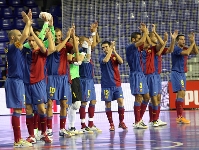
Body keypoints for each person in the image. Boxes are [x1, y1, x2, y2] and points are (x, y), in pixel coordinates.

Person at [23, 25, 55, 143]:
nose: (31, 43)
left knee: (41, 109)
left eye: (33, 40)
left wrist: (32, 32)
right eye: (29, 41)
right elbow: (17, 46)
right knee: (28, 109)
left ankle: (43, 133)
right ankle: (31, 135)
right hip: (26, 84)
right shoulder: (25, 51)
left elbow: (43, 46)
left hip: (39, 83)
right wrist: (27, 27)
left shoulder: (41, 52)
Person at [5, 11, 32, 147]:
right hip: (15, 81)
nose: (22, 37)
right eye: (19, 36)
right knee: (16, 110)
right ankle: (17, 140)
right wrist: (27, 23)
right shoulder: (13, 47)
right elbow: (26, 35)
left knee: (18, 110)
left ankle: (18, 139)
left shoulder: (17, 49)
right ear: (13, 38)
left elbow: (27, 36)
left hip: (18, 81)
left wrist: (28, 24)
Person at [46, 27, 78, 137]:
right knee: (49, 103)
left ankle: (62, 129)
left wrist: (73, 36)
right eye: (56, 36)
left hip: (64, 78)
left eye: (59, 36)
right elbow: (56, 49)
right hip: (51, 78)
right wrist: (67, 37)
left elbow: (74, 50)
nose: (58, 38)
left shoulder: (66, 45)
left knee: (64, 104)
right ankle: (49, 129)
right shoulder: (48, 44)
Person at [148, 25, 178, 126]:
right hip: (152, 75)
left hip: (157, 75)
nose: (156, 38)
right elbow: (161, 46)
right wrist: (163, 40)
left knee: (158, 98)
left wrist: (173, 40)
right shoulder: (152, 48)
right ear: (150, 37)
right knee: (154, 98)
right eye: (154, 36)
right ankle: (154, 120)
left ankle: (154, 119)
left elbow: (170, 50)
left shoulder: (157, 48)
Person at [125, 23, 150, 129]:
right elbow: (142, 42)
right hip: (135, 74)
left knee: (147, 97)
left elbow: (148, 43)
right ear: (133, 40)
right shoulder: (130, 47)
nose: (141, 40)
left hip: (142, 75)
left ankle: (139, 119)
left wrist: (146, 33)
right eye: (138, 39)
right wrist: (145, 32)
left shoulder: (140, 50)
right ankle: (137, 121)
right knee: (138, 97)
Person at [78, 22, 101, 133]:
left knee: (93, 100)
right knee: (84, 102)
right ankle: (83, 125)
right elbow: (91, 49)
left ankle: (91, 124)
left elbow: (94, 43)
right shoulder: (81, 52)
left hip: (90, 80)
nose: (89, 43)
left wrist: (94, 31)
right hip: (84, 80)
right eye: (87, 41)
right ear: (82, 43)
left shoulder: (87, 50)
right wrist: (93, 33)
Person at [99, 41, 127, 131]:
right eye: (103, 48)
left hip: (117, 83)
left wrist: (114, 51)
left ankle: (121, 122)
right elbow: (106, 60)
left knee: (120, 101)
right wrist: (111, 49)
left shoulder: (114, 55)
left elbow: (121, 61)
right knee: (108, 103)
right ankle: (111, 124)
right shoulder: (102, 57)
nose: (104, 49)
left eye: (106, 47)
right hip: (106, 85)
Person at [171, 33, 198, 124]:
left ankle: (179, 117)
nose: (183, 41)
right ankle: (180, 117)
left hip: (182, 73)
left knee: (181, 94)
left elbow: (196, 52)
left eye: (184, 39)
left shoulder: (185, 48)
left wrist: (193, 42)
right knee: (181, 93)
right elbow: (186, 53)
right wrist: (192, 43)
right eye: (181, 39)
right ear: (177, 41)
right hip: (177, 73)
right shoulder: (176, 48)